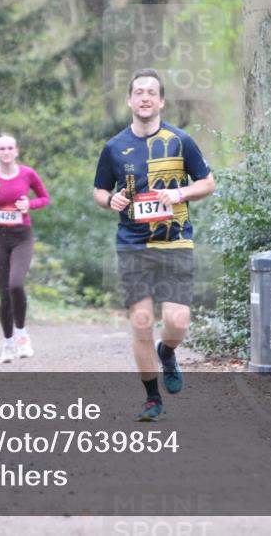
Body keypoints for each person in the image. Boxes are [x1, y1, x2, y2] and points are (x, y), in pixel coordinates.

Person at [93, 68, 215, 421]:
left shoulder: (180, 141)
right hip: (132, 244)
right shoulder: (114, 147)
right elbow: (100, 188)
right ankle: (151, 397)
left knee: (177, 322)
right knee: (142, 321)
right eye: (138, 92)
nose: (145, 97)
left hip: (175, 241)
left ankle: (168, 351)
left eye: (151, 92)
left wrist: (180, 192)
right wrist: (109, 200)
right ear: (130, 100)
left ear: (161, 101)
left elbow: (208, 182)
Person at [0, 134, 50, 363]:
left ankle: (22, 334)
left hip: (21, 237)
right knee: (4, 294)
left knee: (16, 284)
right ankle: (7, 344)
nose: (6, 152)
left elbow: (44, 198)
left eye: (10, 148)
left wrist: (30, 204)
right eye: (1, 148)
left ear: (16, 151)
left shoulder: (27, 174)